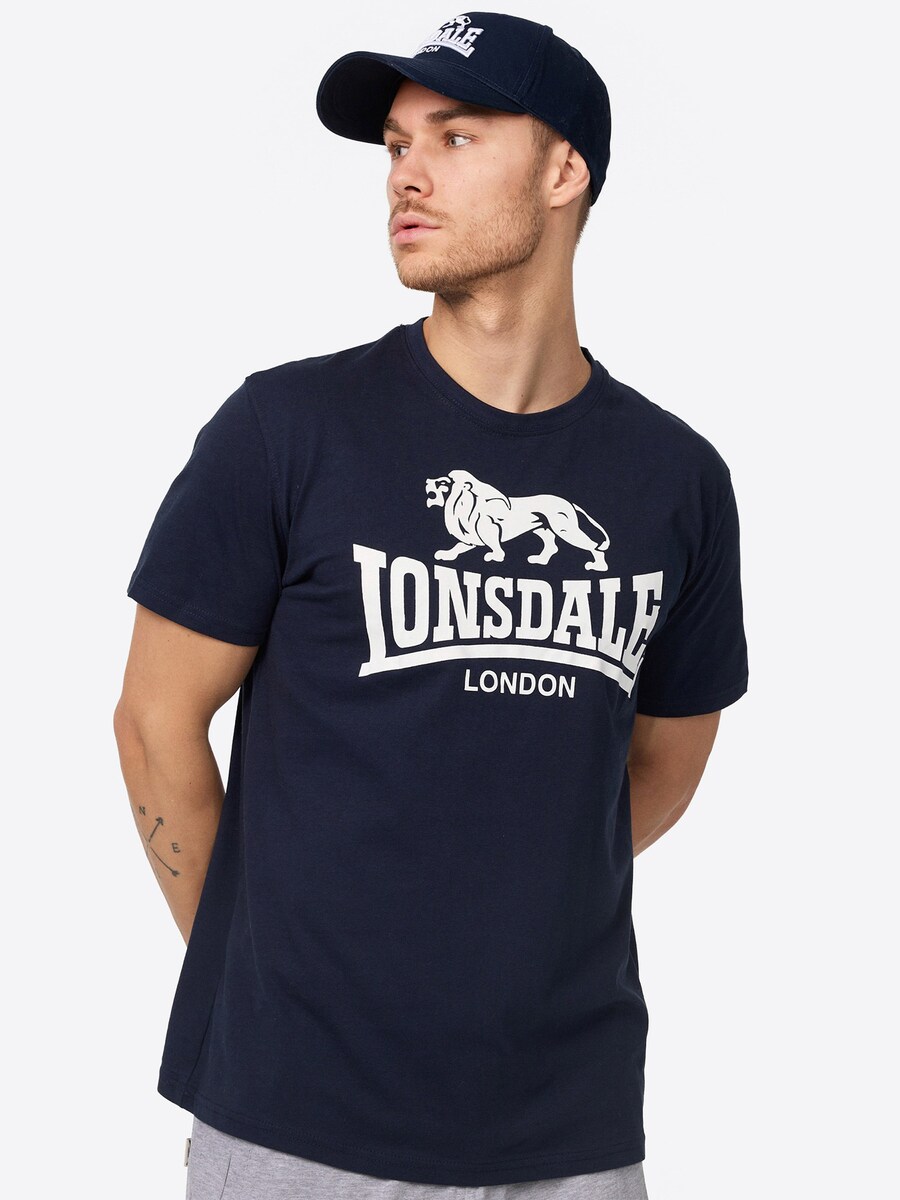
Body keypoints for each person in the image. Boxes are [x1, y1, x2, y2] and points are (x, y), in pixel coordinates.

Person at [114, 12, 749, 1200]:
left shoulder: (675, 480)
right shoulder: (286, 432)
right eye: (399, 144)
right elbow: (155, 725)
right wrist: (275, 981)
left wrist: (514, 887)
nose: (406, 173)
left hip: (571, 1123)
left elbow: (663, 761)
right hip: (303, 1123)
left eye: (455, 138)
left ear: (564, 172)